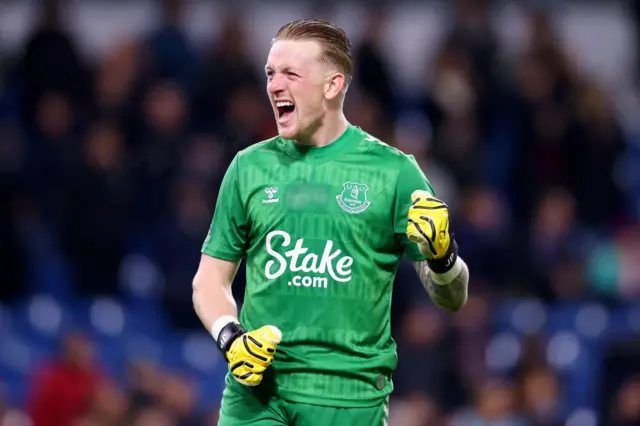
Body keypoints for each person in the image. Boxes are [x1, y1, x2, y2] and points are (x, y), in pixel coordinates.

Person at [192, 18, 470, 426]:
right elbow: (208, 281)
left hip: (348, 399)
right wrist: (230, 337)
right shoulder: (247, 168)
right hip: (256, 396)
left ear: (332, 85)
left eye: (290, 73)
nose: (273, 85)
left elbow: (453, 297)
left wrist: (443, 255)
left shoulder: (394, 174)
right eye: (270, 73)